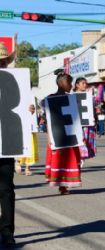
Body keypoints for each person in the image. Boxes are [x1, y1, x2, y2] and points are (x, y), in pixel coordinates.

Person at [45, 72, 81, 195]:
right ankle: (61, 185)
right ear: (61, 83)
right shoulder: (49, 99)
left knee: (69, 159)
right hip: (57, 135)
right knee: (59, 160)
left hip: (70, 135)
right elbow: (48, 120)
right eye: (69, 82)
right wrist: (50, 136)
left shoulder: (71, 99)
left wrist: (80, 136)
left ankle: (65, 186)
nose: (71, 85)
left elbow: (76, 119)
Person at [0, 43, 17, 247]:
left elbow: (20, 110)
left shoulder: (16, 82)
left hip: (6, 143)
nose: (1, 64)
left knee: (6, 190)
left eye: (3, 62)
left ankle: (7, 232)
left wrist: (28, 108)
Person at [73, 77, 97, 167]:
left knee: (86, 141)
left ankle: (81, 158)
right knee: (79, 141)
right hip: (76, 124)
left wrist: (93, 118)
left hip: (87, 123)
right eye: (83, 83)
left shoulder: (90, 96)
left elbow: (92, 109)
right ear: (77, 85)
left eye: (85, 83)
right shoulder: (72, 96)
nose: (85, 85)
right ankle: (78, 158)